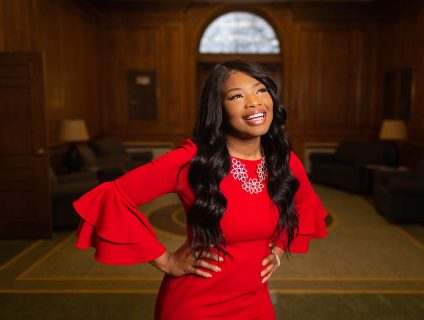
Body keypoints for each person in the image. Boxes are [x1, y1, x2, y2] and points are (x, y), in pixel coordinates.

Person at [73, 60, 328, 319]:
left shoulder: (283, 160)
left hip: (254, 302)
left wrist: (278, 251)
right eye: (236, 96)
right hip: (196, 305)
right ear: (219, 109)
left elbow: (305, 205)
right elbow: (111, 196)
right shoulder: (192, 160)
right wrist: (166, 261)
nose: (254, 102)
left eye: (260, 90)